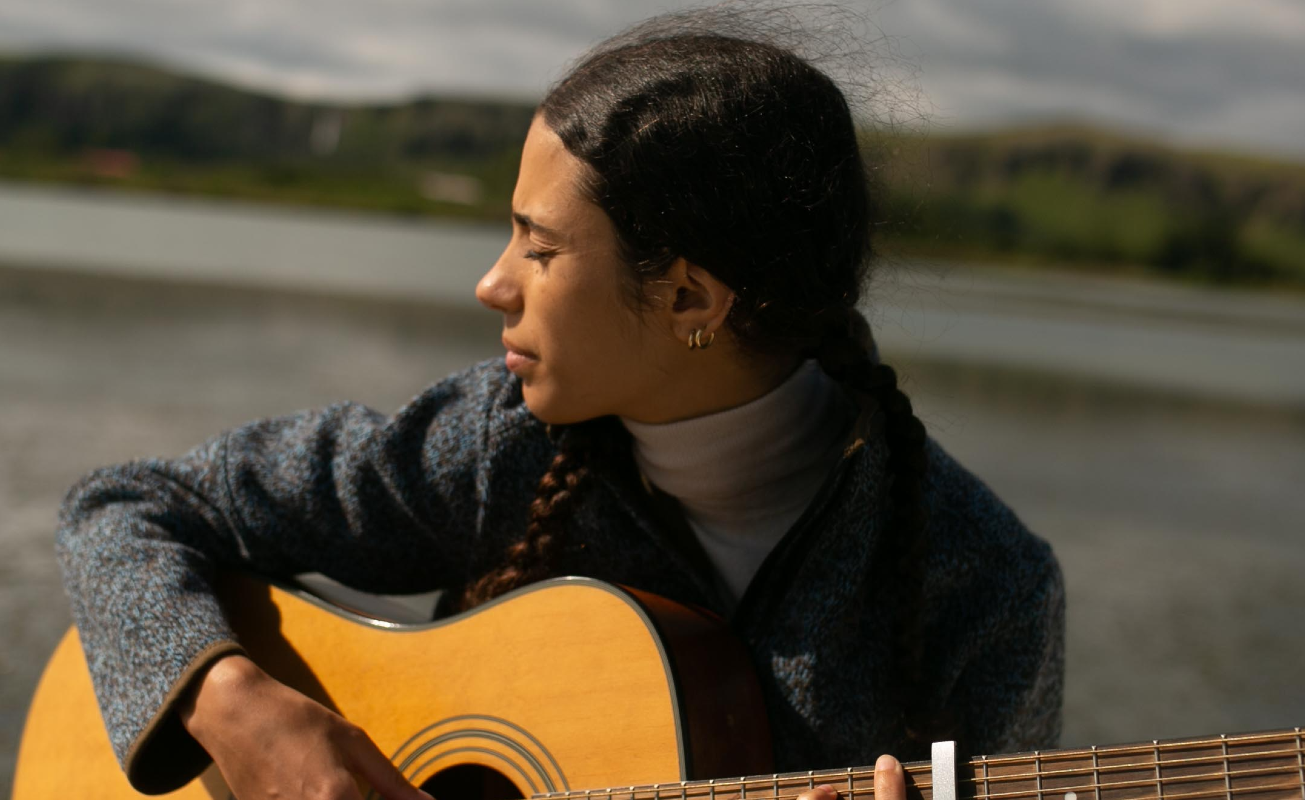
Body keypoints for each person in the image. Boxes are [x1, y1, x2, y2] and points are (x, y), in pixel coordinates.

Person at [54, 8, 1063, 800]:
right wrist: (226, 696)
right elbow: (128, 504)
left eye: (540, 249)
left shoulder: (982, 585)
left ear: (688, 298)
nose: (493, 284)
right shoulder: (501, 441)